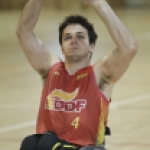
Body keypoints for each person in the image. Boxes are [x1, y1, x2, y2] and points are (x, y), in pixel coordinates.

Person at [16, 0, 138, 150]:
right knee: (31, 144)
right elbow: (23, 33)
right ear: (61, 48)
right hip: (53, 144)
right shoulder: (51, 69)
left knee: (48, 143)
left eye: (80, 37)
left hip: (87, 148)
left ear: (91, 46)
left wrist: (98, 3)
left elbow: (129, 48)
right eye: (68, 37)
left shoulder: (100, 74)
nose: (74, 40)